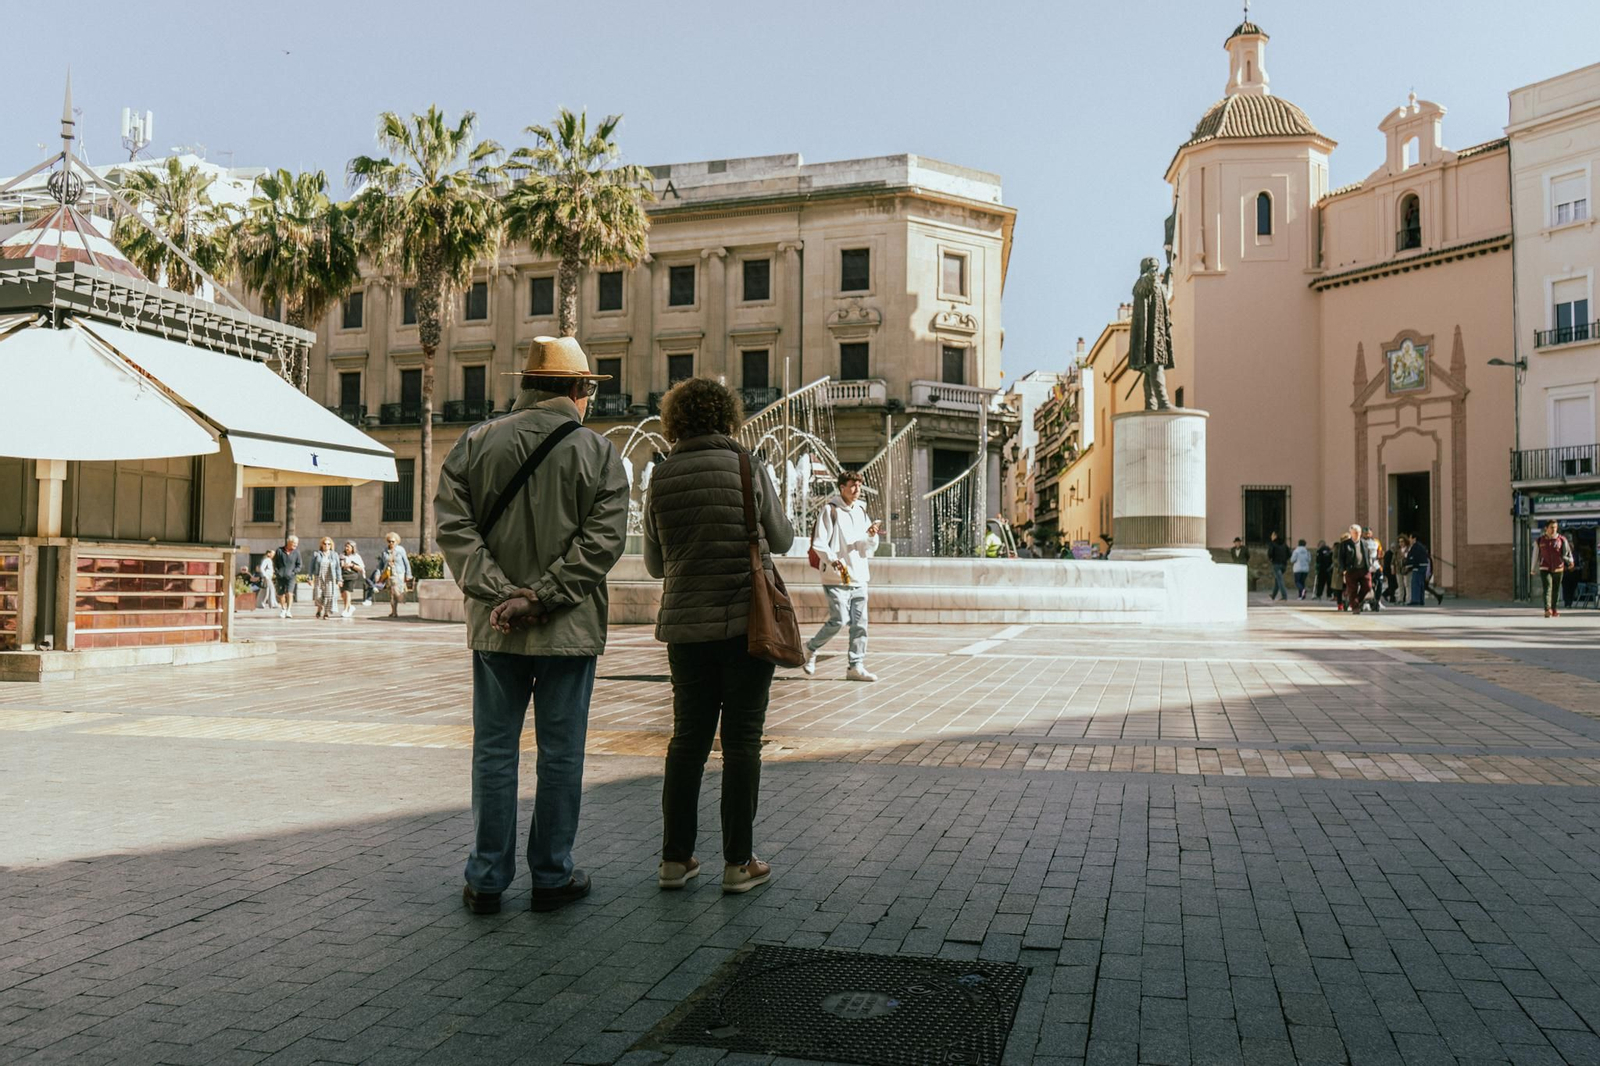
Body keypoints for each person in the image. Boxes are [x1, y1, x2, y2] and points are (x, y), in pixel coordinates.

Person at [435, 335, 628, 915]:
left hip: (497, 627)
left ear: (526, 385)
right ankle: (551, 875)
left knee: (494, 752)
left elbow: (453, 529)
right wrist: (542, 598)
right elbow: (604, 542)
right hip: (567, 629)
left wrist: (502, 595)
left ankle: (487, 877)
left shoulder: (474, 443)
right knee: (562, 753)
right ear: (577, 390)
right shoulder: (597, 453)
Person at [642, 377, 795, 896]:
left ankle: (674, 859)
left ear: (675, 420)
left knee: (687, 741)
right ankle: (738, 863)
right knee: (742, 742)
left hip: (686, 627)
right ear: (730, 417)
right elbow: (783, 539)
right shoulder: (749, 465)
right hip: (745, 624)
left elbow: (654, 564)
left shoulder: (660, 474)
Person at [803, 470, 881, 682]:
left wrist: (871, 536)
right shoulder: (830, 510)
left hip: (859, 575)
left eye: (859, 486)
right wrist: (832, 559)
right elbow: (819, 542)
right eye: (852, 486)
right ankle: (809, 649)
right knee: (839, 620)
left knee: (860, 624)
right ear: (842, 488)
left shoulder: (861, 511)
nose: (856, 490)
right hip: (836, 576)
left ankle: (855, 666)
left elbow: (866, 547)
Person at [1532, 518, 1574, 618]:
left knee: (1556, 590)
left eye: (1555, 527)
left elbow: (1568, 552)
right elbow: (1535, 555)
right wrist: (1532, 568)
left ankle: (1554, 609)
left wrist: (1571, 561)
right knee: (1547, 588)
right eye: (1551, 527)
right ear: (1546, 528)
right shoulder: (1539, 541)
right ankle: (1547, 609)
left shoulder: (1562, 540)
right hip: (1545, 567)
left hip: (1559, 568)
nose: (1553, 529)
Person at [373, 532, 413, 618]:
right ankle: (394, 611)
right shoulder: (385, 551)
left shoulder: (400, 550)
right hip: (388, 573)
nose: (391, 543)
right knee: (391, 593)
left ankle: (398, 604)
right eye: (389, 541)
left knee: (396, 592)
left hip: (399, 573)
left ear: (397, 541)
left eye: (392, 541)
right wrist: (378, 574)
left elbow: (406, 562)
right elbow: (381, 564)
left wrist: (408, 574)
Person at [1338, 525, 1371, 613]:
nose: (1357, 534)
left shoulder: (1364, 543)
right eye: (1355, 533)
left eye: (1358, 532)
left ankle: (1355, 601)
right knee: (1353, 589)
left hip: (1363, 569)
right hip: (1351, 570)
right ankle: (1355, 607)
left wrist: (1369, 565)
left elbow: (1367, 555)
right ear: (1351, 533)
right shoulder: (1345, 544)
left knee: (1368, 586)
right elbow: (1341, 558)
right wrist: (1343, 570)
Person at [271, 535, 302, 618]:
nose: (296, 545)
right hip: (280, 576)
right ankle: (283, 609)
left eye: (297, 543)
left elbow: (299, 565)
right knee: (280, 594)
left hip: (291, 576)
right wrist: (277, 572)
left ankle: (288, 610)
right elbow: (275, 563)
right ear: (289, 542)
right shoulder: (279, 551)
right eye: (294, 543)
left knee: (289, 593)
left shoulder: (297, 552)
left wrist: (294, 572)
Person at [311, 536, 340, 620]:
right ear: (321, 545)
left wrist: (339, 579)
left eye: (328, 544)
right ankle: (320, 608)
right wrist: (309, 577)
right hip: (319, 576)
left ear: (331, 545)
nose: (327, 545)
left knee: (329, 595)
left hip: (330, 578)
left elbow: (338, 568)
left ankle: (326, 613)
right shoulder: (317, 554)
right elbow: (311, 566)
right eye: (325, 544)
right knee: (318, 595)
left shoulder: (334, 555)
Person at [338, 541, 365, 618]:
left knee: (347, 592)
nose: (346, 548)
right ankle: (350, 607)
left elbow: (361, 568)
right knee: (343, 593)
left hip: (351, 576)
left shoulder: (356, 557)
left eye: (348, 547)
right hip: (343, 576)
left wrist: (351, 565)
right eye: (346, 546)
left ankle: (346, 609)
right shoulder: (342, 556)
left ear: (353, 548)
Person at [1361, 528, 1384, 612]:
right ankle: (1364, 601)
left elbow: (1380, 554)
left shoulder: (1376, 542)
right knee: (1365, 583)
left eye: (1369, 533)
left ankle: (1377, 600)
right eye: (1366, 533)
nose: (1367, 535)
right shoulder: (1360, 542)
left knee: (1379, 582)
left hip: (1375, 564)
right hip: (1363, 565)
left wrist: (1380, 563)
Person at [1266, 532, 1291, 601]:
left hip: (1276, 564)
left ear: (1275, 536)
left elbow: (1270, 553)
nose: (1271, 536)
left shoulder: (1273, 544)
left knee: (1280, 580)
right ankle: (1273, 595)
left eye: (1272, 535)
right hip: (1284, 564)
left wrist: (1271, 558)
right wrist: (1285, 559)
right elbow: (1289, 553)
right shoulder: (1284, 544)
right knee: (1277, 579)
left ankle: (1284, 596)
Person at [1329, 535, 1347, 610]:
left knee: (1349, 587)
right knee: (1339, 588)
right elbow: (1334, 558)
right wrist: (1340, 564)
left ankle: (1349, 602)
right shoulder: (1338, 547)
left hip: (1349, 570)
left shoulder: (1352, 546)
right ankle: (1340, 603)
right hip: (1339, 571)